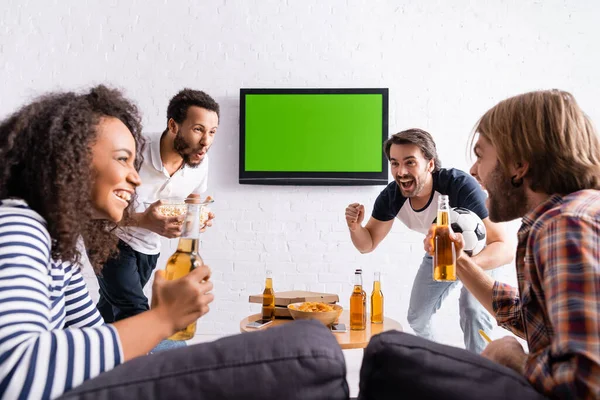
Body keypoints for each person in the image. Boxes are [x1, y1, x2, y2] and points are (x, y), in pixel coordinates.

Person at [0, 86, 348, 400]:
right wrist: (163, 318)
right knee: (302, 353)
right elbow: (15, 375)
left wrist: (197, 220)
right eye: (122, 158)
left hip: (147, 253)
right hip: (122, 246)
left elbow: (95, 336)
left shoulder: (57, 248)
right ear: (70, 158)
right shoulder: (18, 223)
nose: (134, 177)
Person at [362, 89, 599, 399]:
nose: (474, 170)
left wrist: (510, 360)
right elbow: (533, 320)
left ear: (519, 165)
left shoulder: (566, 227)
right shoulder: (562, 219)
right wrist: (457, 260)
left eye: (481, 154)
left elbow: (586, 385)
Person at [345, 128, 513, 353]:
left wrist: (462, 264)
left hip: (482, 252)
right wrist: (355, 227)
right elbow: (368, 244)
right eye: (394, 163)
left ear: (430, 164)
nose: (401, 171)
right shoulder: (392, 196)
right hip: (439, 250)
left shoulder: (460, 185)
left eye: (410, 162)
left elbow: (504, 247)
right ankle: (440, 362)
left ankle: (480, 374)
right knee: (417, 317)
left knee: (473, 309)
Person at [96, 88, 219, 327]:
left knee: (109, 311)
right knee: (135, 311)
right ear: (173, 126)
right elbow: (95, 207)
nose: (206, 142)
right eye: (198, 130)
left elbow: (191, 201)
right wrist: (142, 220)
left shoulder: (200, 161)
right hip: (108, 239)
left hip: (148, 247)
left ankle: (79, 348)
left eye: (212, 132)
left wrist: (197, 217)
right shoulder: (131, 150)